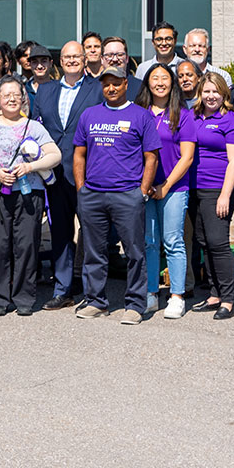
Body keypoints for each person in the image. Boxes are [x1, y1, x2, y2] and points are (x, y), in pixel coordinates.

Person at [73, 64, 158, 323]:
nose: (110, 88)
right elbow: (79, 154)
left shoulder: (141, 116)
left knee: (134, 252)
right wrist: (81, 189)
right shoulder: (89, 114)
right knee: (93, 252)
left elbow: (151, 157)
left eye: (116, 83)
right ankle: (96, 301)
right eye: (106, 83)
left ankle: (134, 304)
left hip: (127, 195)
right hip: (93, 195)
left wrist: (142, 191)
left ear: (125, 85)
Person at [0, 78, 61, 317]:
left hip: (29, 194)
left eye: (16, 94)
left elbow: (55, 155)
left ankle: (24, 297)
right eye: (6, 95)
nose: (11, 99)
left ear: (23, 98)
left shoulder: (34, 127)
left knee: (26, 246)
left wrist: (31, 168)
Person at [35, 39, 99, 309]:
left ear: (84, 60)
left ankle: (94, 292)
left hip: (88, 173)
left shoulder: (97, 89)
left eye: (77, 56)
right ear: (59, 62)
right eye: (67, 57)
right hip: (54, 175)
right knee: (59, 232)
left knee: (93, 232)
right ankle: (63, 289)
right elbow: (36, 129)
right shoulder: (45, 90)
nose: (72, 61)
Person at [186, 73, 234, 319]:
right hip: (194, 188)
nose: (211, 96)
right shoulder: (193, 116)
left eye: (216, 92)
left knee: (218, 243)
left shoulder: (231, 121)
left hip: (217, 189)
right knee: (203, 241)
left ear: (224, 94)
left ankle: (229, 300)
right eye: (207, 91)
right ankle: (214, 294)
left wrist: (225, 195)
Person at [139, 64, 196, 319]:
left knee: (173, 241)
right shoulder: (138, 112)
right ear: (147, 83)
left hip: (173, 186)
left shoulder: (183, 115)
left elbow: (187, 157)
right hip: (144, 186)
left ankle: (176, 295)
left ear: (172, 83)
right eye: (155, 78)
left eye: (165, 78)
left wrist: (166, 186)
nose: (160, 82)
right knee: (149, 242)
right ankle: (151, 293)